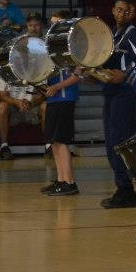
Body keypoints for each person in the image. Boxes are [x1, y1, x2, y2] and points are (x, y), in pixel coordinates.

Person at [100, 0, 136, 209]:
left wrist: (125, 74)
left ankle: (126, 191)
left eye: (127, 11)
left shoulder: (133, 34)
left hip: (124, 93)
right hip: (110, 92)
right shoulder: (111, 34)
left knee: (119, 142)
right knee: (111, 144)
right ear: (113, 10)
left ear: (133, 14)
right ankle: (123, 188)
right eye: (119, 9)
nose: (122, 14)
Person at [40, 10, 83, 196]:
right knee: (54, 141)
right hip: (53, 98)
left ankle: (70, 182)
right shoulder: (51, 47)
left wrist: (57, 87)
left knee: (62, 140)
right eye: (52, 23)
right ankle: (60, 180)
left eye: (57, 23)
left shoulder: (75, 46)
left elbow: (77, 75)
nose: (53, 27)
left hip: (65, 97)